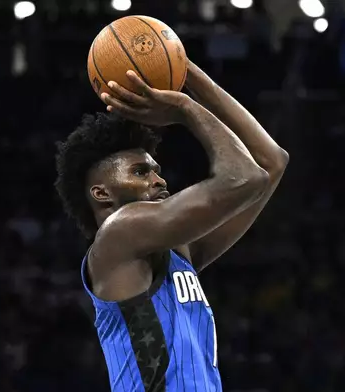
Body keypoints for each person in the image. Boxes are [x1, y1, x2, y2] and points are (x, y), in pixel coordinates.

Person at [55, 61, 289, 391]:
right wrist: (183, 106)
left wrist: (184, 69)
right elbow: (245, 178)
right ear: (101, 193)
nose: (158, 179)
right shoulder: (118, 233)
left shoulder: (179, 252)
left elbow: (271, 162)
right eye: (140, 172)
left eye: (155, 169)